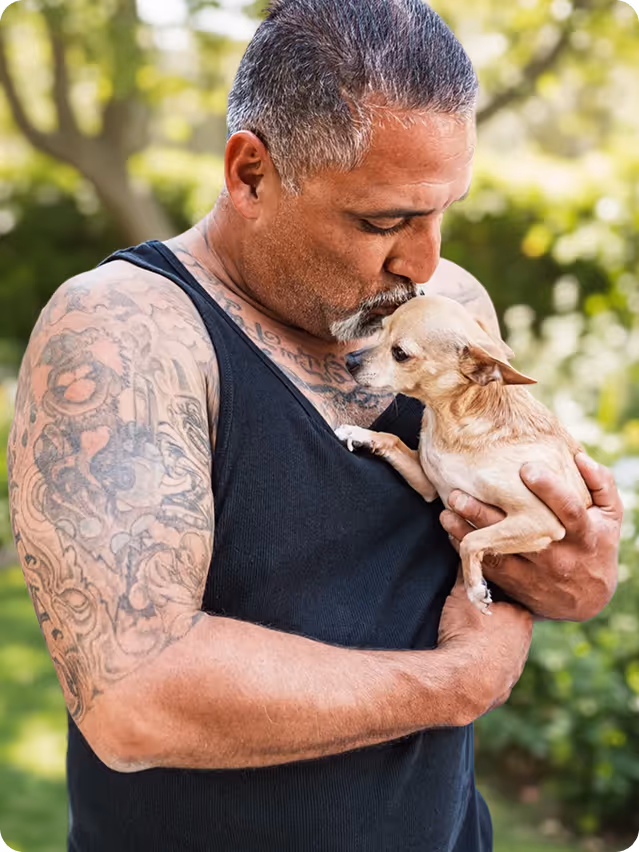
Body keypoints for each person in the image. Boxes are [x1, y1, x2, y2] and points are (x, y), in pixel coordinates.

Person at [7, 1, 621, 850]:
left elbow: (567, 581)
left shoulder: (448, 314)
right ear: (250, 173)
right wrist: (454, 683)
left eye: (444, 211)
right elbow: (132, 700)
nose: (423, 259)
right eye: (383, 221)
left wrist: (574, 570)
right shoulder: (124, 332)